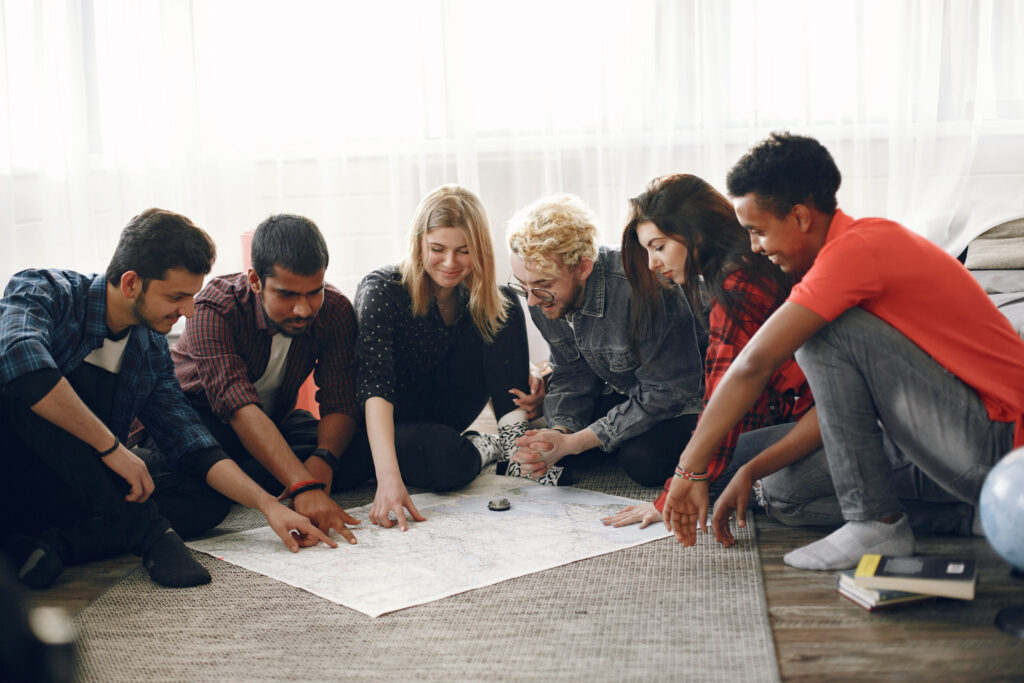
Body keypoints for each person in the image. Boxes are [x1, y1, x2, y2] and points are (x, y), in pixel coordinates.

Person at [662, 132, 1024, 571]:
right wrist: (751, 470)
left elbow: (753, 363)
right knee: (779, 491)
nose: (755, 246)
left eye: (758, 231)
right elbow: (838, 411)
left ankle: (875, 521)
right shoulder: (849, 252)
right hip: (951, 436)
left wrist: (688, 470)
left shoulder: (857, 251)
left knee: (822, 333)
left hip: (1000, 444)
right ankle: (967, 520)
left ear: (799, 216)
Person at [0, 209, 335, 590]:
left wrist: (268, 505)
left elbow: (188, 439)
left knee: (206, 502)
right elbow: (19, 360)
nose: (189, 310)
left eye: (192, 296)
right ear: (130, 284)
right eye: (177, 296)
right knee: (31, 397)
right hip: (14, 472)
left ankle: (51, 545)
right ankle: (151, 536)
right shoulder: (44, 290)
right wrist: (110, 446)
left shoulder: (149, 347)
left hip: (78, 486)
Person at [600, 174, 813, 529]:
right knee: (721, 459)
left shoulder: (738, 285)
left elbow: (723, 395)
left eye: (659, 246)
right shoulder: (740, 264)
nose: (652, 264)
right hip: (803, 409)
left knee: (741, 478)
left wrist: (674, 490)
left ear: (695, 232)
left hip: (823, 416)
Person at [350, 185, 544, 532]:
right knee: (446, 460)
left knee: (503, 302)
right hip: (394, 422)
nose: (451, 263)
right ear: (418, 244)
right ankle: (488, 447)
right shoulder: (382, 289)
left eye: (464, 251)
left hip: (450, 410)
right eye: (437, 249)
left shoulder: (477, 293)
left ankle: (516, 449)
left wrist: (523, 374)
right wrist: (388, 479)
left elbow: (491, 362)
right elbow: (374, 385)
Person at [172, 214, 362, 543]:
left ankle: (256, 478)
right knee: (194, 499)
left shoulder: (335, 310)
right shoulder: (213, 308)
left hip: (273, 423)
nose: (304, 309)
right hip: (203, 425)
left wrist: (324, 459)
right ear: (256, 281)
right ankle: (271, 480)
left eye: (314, 292)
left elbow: (340, 399)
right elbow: (239, 407)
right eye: (288, 295)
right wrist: (304, 484)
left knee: (359, 448)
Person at [506, 193, 705, 486]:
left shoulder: (645, 288)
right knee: (562, 447)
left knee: (642, 462)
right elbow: (570, 372)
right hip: (623, 389)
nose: (532, 301)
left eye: (543, 286)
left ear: (583, 268)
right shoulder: (542, 297)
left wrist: (577, 442)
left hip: (684, 396)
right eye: (523, 285)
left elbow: (668, 391)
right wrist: (561, 433)